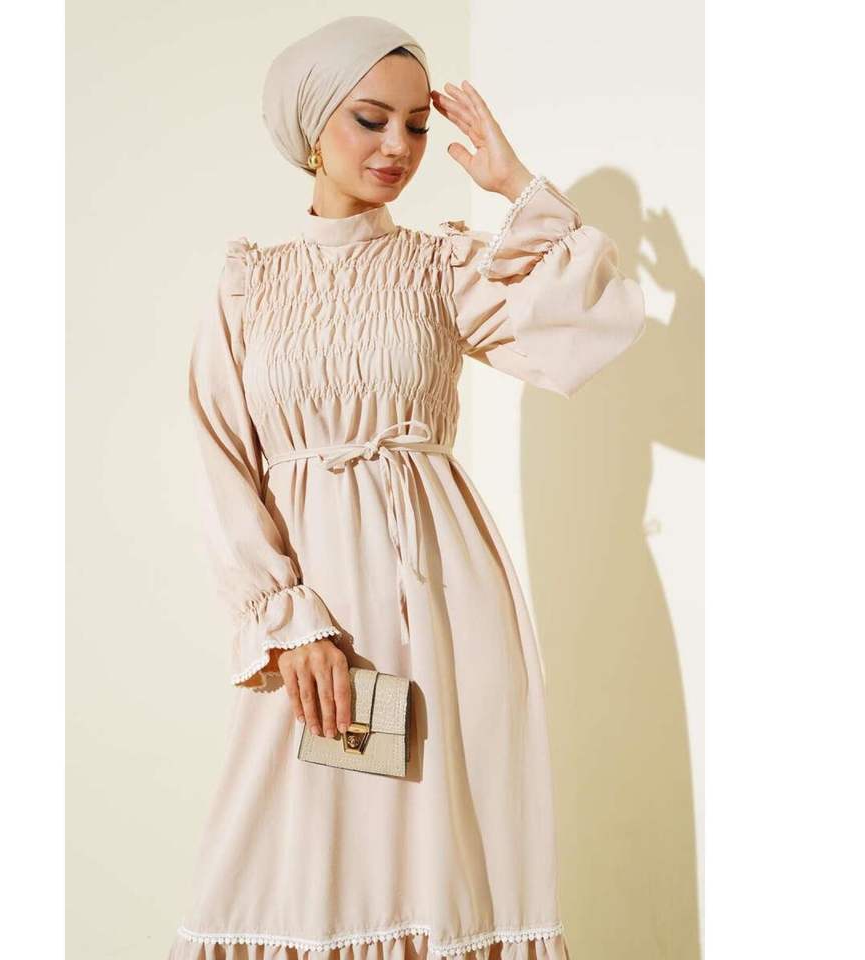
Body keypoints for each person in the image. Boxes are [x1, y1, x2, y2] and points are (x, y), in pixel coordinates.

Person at [168, 14, 646, 960]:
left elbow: (581, 321)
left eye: (419, 125)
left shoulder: (441, 265)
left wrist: (514, 184)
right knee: (282, 855)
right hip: (314, 605)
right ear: (313, 127)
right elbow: (220, 455)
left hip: (443, 597)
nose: (399, 146)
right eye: (371, 119)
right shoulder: (248, 285)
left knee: (446, 856)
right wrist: (288, 619)